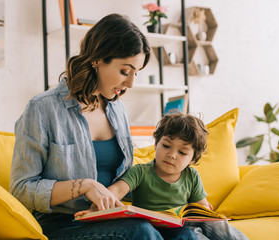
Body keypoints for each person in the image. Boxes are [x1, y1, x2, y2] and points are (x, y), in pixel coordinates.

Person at [10, 14, 197, 240]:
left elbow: (129, 177)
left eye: (135, 74)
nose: (130, 84)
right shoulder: (42, 109)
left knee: (184, 234)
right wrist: (84, 186)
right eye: (125, 72)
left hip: (111, 217)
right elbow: (21, 189)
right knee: (140, 232)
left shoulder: (117, 110)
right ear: (98, 59)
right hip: (61, 222)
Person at [75, 112, 249, 240]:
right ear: (156, 143)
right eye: (166, 146)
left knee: (211, 226)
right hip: (149, 229)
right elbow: (115, 191)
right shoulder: (141, 172)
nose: (172, 155)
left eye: (182, 152)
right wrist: (95, 207)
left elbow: (200, 209)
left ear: (193, 158)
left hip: (181, 227)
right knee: (192, 235)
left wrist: (207, 212)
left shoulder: (191, 176)